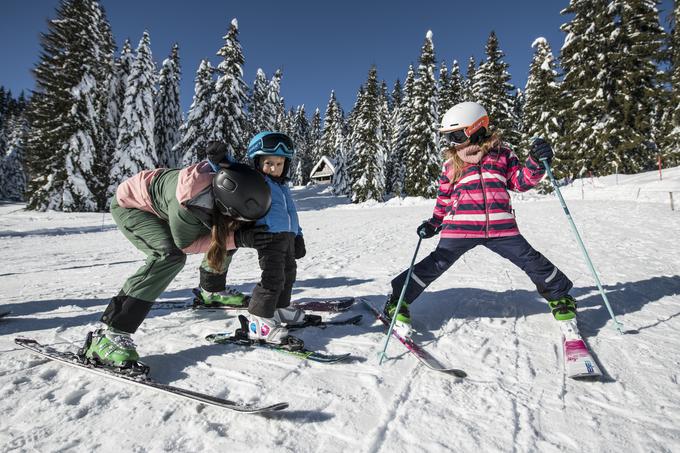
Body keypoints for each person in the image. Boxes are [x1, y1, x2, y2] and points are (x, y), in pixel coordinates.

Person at [384, 101, 576, 337]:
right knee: (436, 263)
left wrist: (536, 163)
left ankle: (560, 298)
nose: (452, 142)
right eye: (448, 137)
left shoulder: (503, 155)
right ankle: (397, 299)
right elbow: (444, 197)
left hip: (500, 226)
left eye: (456, 134)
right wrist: (434, 223)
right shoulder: (451, 164)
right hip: (460, 227)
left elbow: (520, 182)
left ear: (477, 128)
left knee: (530, 259)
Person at [84, 144, 272, 369]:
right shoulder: (189, 204)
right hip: (132, 206)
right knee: (169, 256)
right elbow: (187, 245)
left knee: (232, 232)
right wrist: (239, 239)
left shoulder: (229, 186)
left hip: (166, 203)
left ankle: (211, 290)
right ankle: (109, 333)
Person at [243, 131, 307, 345]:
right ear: (257, 161)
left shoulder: (282, 186)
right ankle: (259, 319)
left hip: (287, 237)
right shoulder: (255, 182)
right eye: (269, 162)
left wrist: (298, 236)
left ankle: (279, 308)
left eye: (279, 164)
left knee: (289, 273)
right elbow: (232, 173)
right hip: (268, 237)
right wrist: (219, 160)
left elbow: (291, 213)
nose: (274, 168)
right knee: (273, 277)